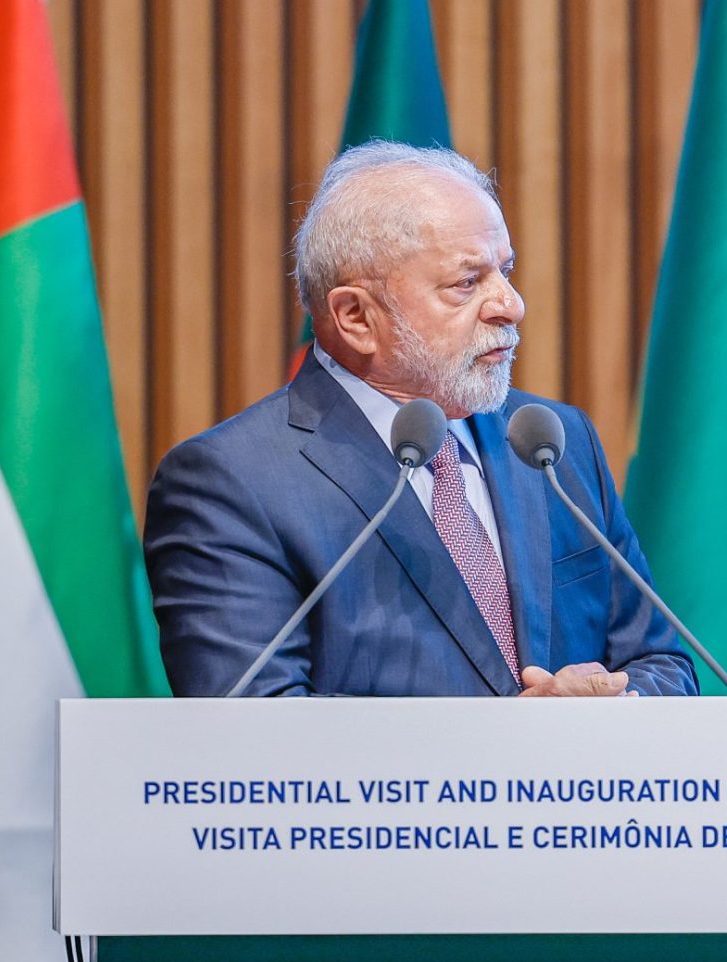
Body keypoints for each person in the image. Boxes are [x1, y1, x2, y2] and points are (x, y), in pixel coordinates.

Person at [143, 141, 697, 698]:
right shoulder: (231, 483)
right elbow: (253, 718)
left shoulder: (554, 443)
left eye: (504, 270)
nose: (511, 304)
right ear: (355, 317)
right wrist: (506, 738)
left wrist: (609, 702)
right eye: (466, 282)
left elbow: (659, 662)